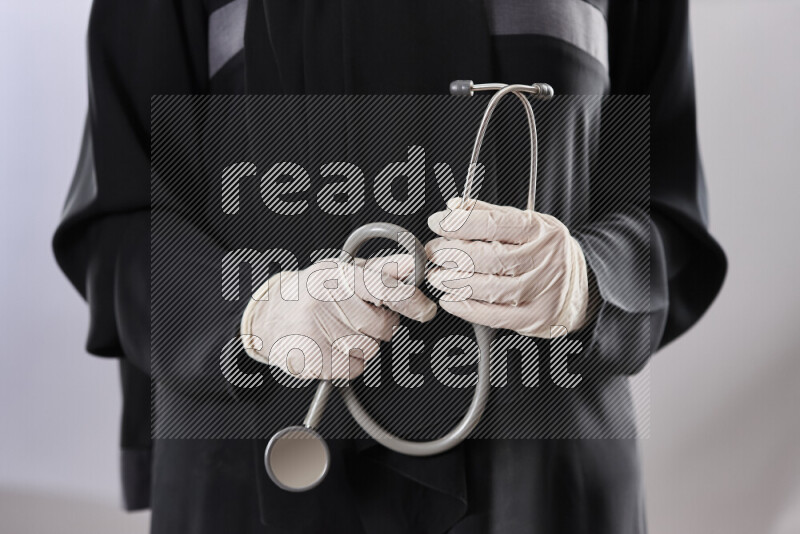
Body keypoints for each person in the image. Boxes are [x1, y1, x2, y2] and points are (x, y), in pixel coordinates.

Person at [54, 1, 726, 532]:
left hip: (539, 484)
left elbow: (663, 210)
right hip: (263, 474)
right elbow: (122, 218)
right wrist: (252, 314)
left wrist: (586, 276)